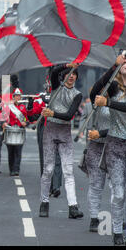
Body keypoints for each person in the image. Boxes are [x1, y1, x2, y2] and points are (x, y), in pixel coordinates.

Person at [93, 54, 126, 246]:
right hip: (114, 145)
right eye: (125, 62)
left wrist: (107, 103)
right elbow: (95, 93)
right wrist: (112, 67)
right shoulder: (113, 88)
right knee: (118, 194)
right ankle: (117, 230)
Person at [39, 63, 84, 219]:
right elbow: (54, 71)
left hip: (65, 133)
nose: (71, 76)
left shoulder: (78, 95)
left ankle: (73, 207)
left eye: (73, 74)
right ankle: (44, 202)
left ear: (76, 77)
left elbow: (70, 115)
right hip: (50, 131)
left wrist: (52, 112)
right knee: (48, 170)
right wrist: (67, 65)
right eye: (68, 73)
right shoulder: (56, 88)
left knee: (68, 171)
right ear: (63, 76)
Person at [84, 88, 111, 232]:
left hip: (114, 146)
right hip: (95, 146)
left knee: (117, 186)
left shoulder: (118, 102)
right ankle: (94, 218)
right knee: (95, 184)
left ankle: (119, 218)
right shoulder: (94, 102)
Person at [3, 87, 27, 177]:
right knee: (11, 151)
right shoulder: (9, 106)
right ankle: (11, 168)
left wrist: (25, 122)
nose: (17, 97)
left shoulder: (23, 106)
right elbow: (5, 116)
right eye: (16, 96)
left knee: (18, 151)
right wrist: (5, 123)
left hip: (19, 129)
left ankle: (16, 169)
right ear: (13, 96)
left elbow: (25, 117)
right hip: (11, 129)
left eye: (19, 96)